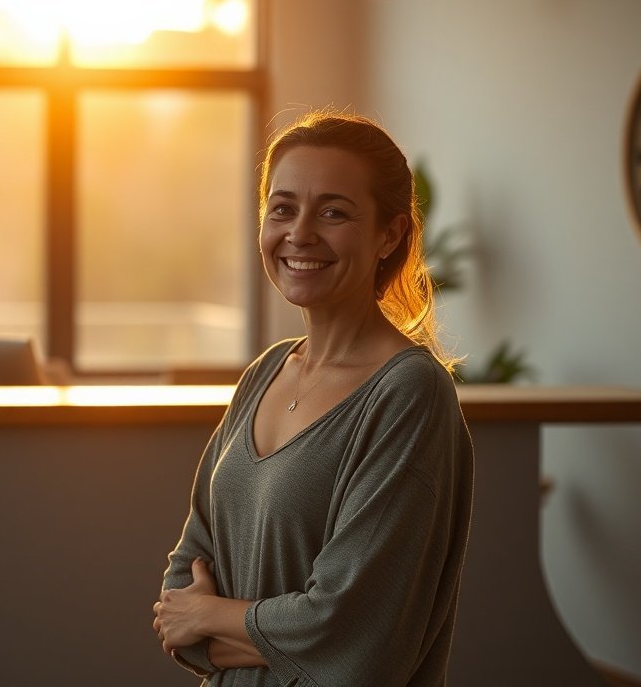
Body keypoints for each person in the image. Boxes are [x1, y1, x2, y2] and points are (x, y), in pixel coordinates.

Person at [152, 110, 474, 686]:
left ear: (389, 234)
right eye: (282, 208)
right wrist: (215, 625)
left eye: (334, 212)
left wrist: (213, 620)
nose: (300, 233)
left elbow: (359, 633)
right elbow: (185, 580)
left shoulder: (409, 394)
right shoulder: (266, 371)